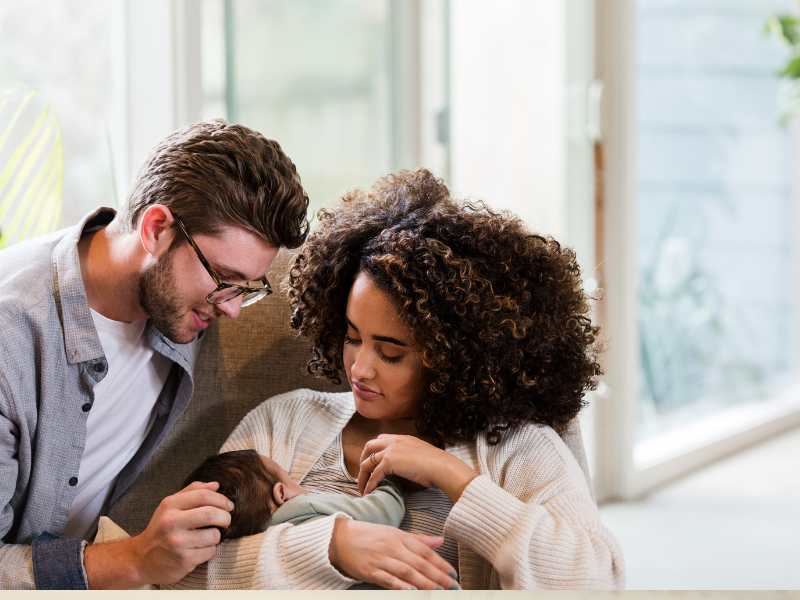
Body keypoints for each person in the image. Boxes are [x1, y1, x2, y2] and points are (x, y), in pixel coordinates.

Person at [174, 168, 625, 590]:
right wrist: (329, 548)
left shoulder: (515, 448)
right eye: (352, 338)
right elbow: (181, 574)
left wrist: (455, 478)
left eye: (391, 353)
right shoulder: (285, 423)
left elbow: (596, 582)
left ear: (454, 357)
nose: (360, 368)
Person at [0, 120, 310, 589]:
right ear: (156, 228)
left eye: (249, 290)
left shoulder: (177, 302)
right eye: (224, 280)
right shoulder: (14, 337)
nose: (232, 309)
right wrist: (136, 558)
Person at [96, 449, 405, 543]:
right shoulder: (306, 505)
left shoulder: (241, 538)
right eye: (287, 474)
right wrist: (391, 480)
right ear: (282, 492)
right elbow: (385, 513)